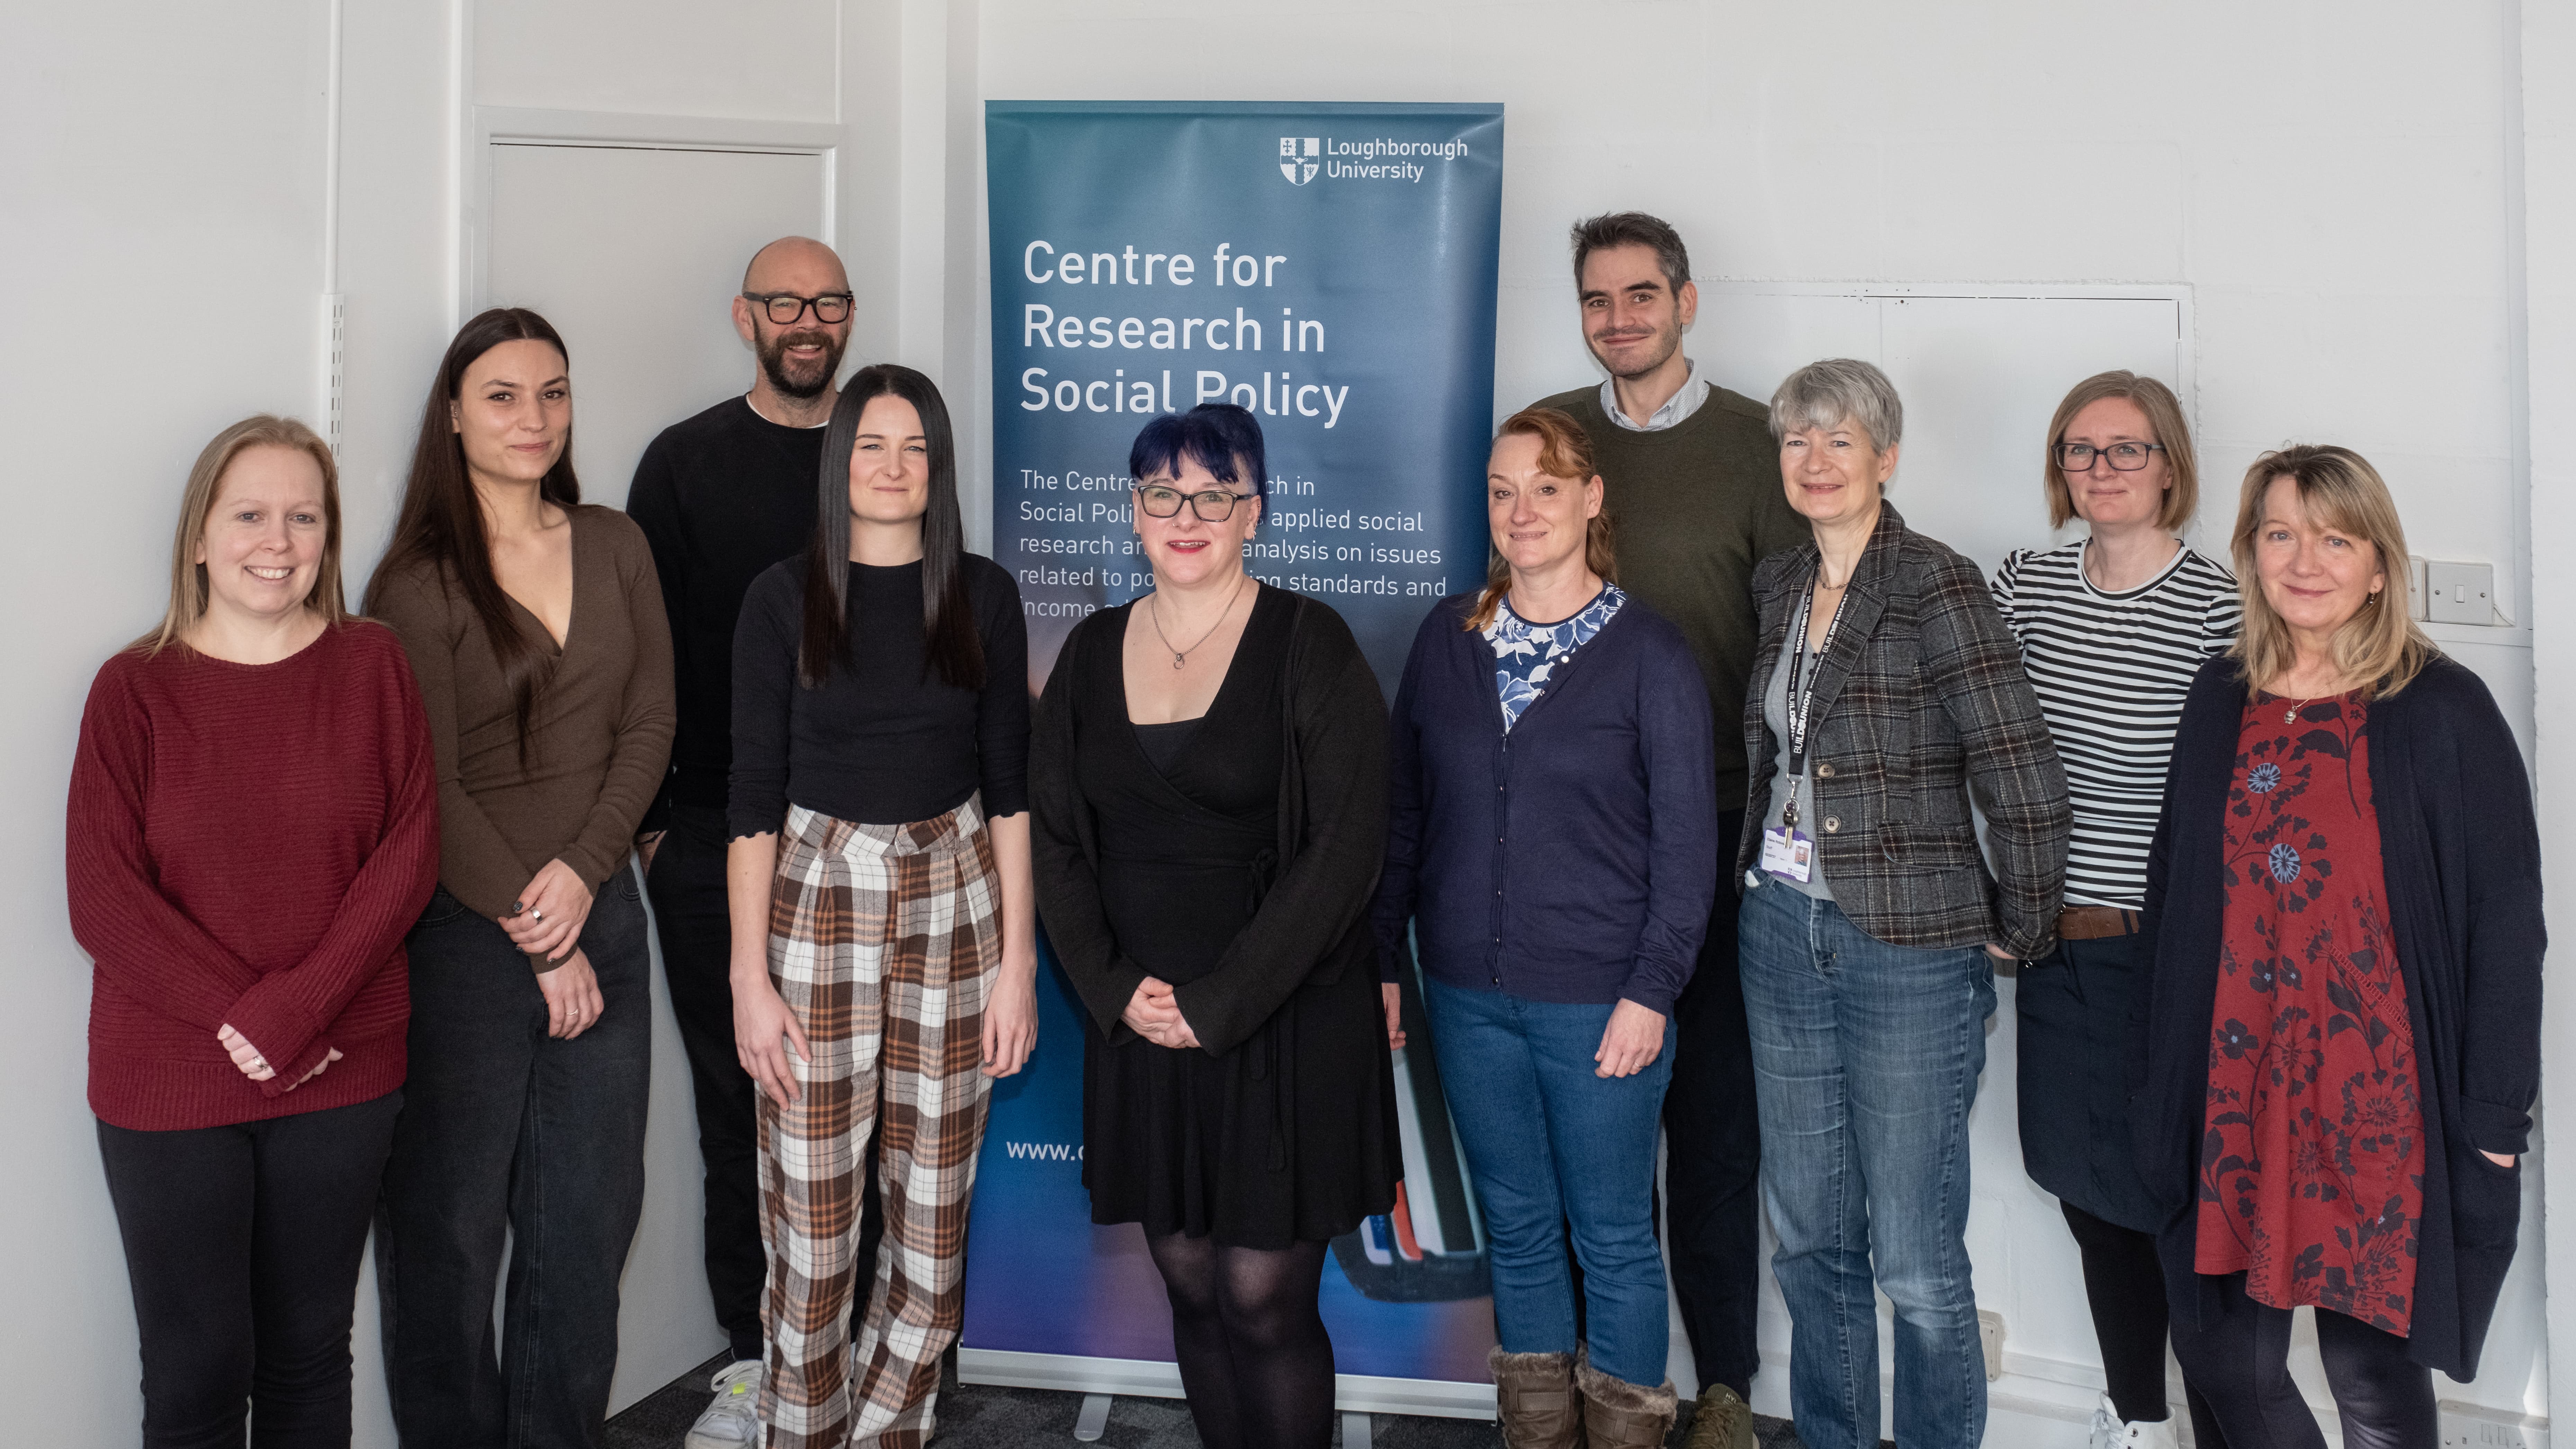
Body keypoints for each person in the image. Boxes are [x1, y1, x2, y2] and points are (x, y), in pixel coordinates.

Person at [2131, 446, 2542, 1449]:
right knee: (2222, 1361)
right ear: (2250, 552)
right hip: (2233, 1085)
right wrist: (2160, 1075)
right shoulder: (2219, 693)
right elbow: (2173, 886)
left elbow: (2505, 924)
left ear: (2378, 566)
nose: (2303, 561)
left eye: (2334, 539)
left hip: (2379, 1099)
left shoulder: (2441, 710)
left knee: (2372, 1377)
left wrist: (2493, 1117)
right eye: (2280, 534)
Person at [1031, 404, 1401, 1449]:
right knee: (1192, 1286)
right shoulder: (1090, 652)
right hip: (1146, 1021)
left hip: (1281, 1020)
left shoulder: (1310, 642)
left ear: (1256, 512)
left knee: (1260, 1299)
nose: (1185, 516)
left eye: (1213, 495)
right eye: (1163, 494)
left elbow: (1345, 850)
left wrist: (1221, 1003)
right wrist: (1116, 991)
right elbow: (1053, 841)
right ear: (1134, 512)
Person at [68, 415, 438, 1448]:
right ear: (200, 536)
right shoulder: (133, 689)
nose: (278, 542)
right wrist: (262, 1017)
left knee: (308, 1355)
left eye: (303, 518)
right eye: (250, 516)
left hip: (343, 1068)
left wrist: (300, 1010)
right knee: (194, 1372)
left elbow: (408, 855)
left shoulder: (375, 665)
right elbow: (103, 897)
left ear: (328, 537)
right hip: (171, 1077)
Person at [1736, 359, 2068, 1449]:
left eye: (1839, 439)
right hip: (1780, 934)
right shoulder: (1779, 584)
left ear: (1885, 456)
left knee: (1916, 1259)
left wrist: (2019, 925)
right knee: (1808, 1240)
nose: (1815, 460)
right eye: (1797, 440)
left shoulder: (1935, 582)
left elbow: (2020, 770)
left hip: (1911, 953)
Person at [1375, 407, 1717, 1449]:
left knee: (1611, 1237)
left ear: (1591, 498)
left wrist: (1651, 991)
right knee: (1517, 1228)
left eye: (1546, 486)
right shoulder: (1447, 639)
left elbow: (1687, 848)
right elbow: (1403, 814)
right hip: (1465, 994)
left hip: (1601, 1002)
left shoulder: (1651, 653)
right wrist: (1384, 957)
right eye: (1502, 490)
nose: (1521, 510)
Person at [366, 307, 675, 1449]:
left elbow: (650, 723)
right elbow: (427, 786)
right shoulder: (416, 583)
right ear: (453, 415)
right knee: (447, 1237)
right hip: (465, 936)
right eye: (502, 395)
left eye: (553, 391)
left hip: (604, 917)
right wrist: (539, 931)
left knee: (586, 1226)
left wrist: (586, 878)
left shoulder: (615, 542)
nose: (532, 416)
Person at [1531, 211, 1808, 1449]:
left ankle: (1725, 1389)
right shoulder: (1550, 438)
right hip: (1575, 836)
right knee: (1590, 1131)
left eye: (1641, 295)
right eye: (1597, 299)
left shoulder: (1761, 444)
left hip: (1726, 828)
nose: (1618, 319)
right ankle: (1602, 1384)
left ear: (1685, 303)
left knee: (1710, 1125)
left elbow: (1802, 638)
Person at [727, 363, 1038, 1448]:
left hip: (959, 903)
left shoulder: (983, 595)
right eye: (871, 445)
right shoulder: (781, 598)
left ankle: (888, 1432)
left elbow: (1011, 792)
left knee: (930, 1226)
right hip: (818, 903)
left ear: (938, 467)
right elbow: (751, 801)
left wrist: (1017, 965)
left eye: (915, 449)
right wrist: (748, 978)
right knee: (814, 1236)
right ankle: (801, 1430)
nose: (893, 468)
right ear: (840, 461)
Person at [626, 235, 856, 1447]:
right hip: (716, 833)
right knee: (739, 1107)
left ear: (849, 316)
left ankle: (859, 1359)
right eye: (784, 302)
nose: (806, 320)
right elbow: (643, 653)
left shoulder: (882, 448)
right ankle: (758, 1361)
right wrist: (657, 824)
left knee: (862, 1109)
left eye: (827, 302)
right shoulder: (683, 462)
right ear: (745, 316)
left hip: (864, 832)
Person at [1990, 372, 2237, 1449]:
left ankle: (2225, 1424)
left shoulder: (2220, 608)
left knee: (2175, 1207)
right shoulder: (2026, 584)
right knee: (2087, 1198)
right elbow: (1971, 735)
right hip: (2053, 949)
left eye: (2125, 448)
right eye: (2079, 449)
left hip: (2169, 958)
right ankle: (2136, 1416)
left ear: (2168, 465)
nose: (2100, 468)